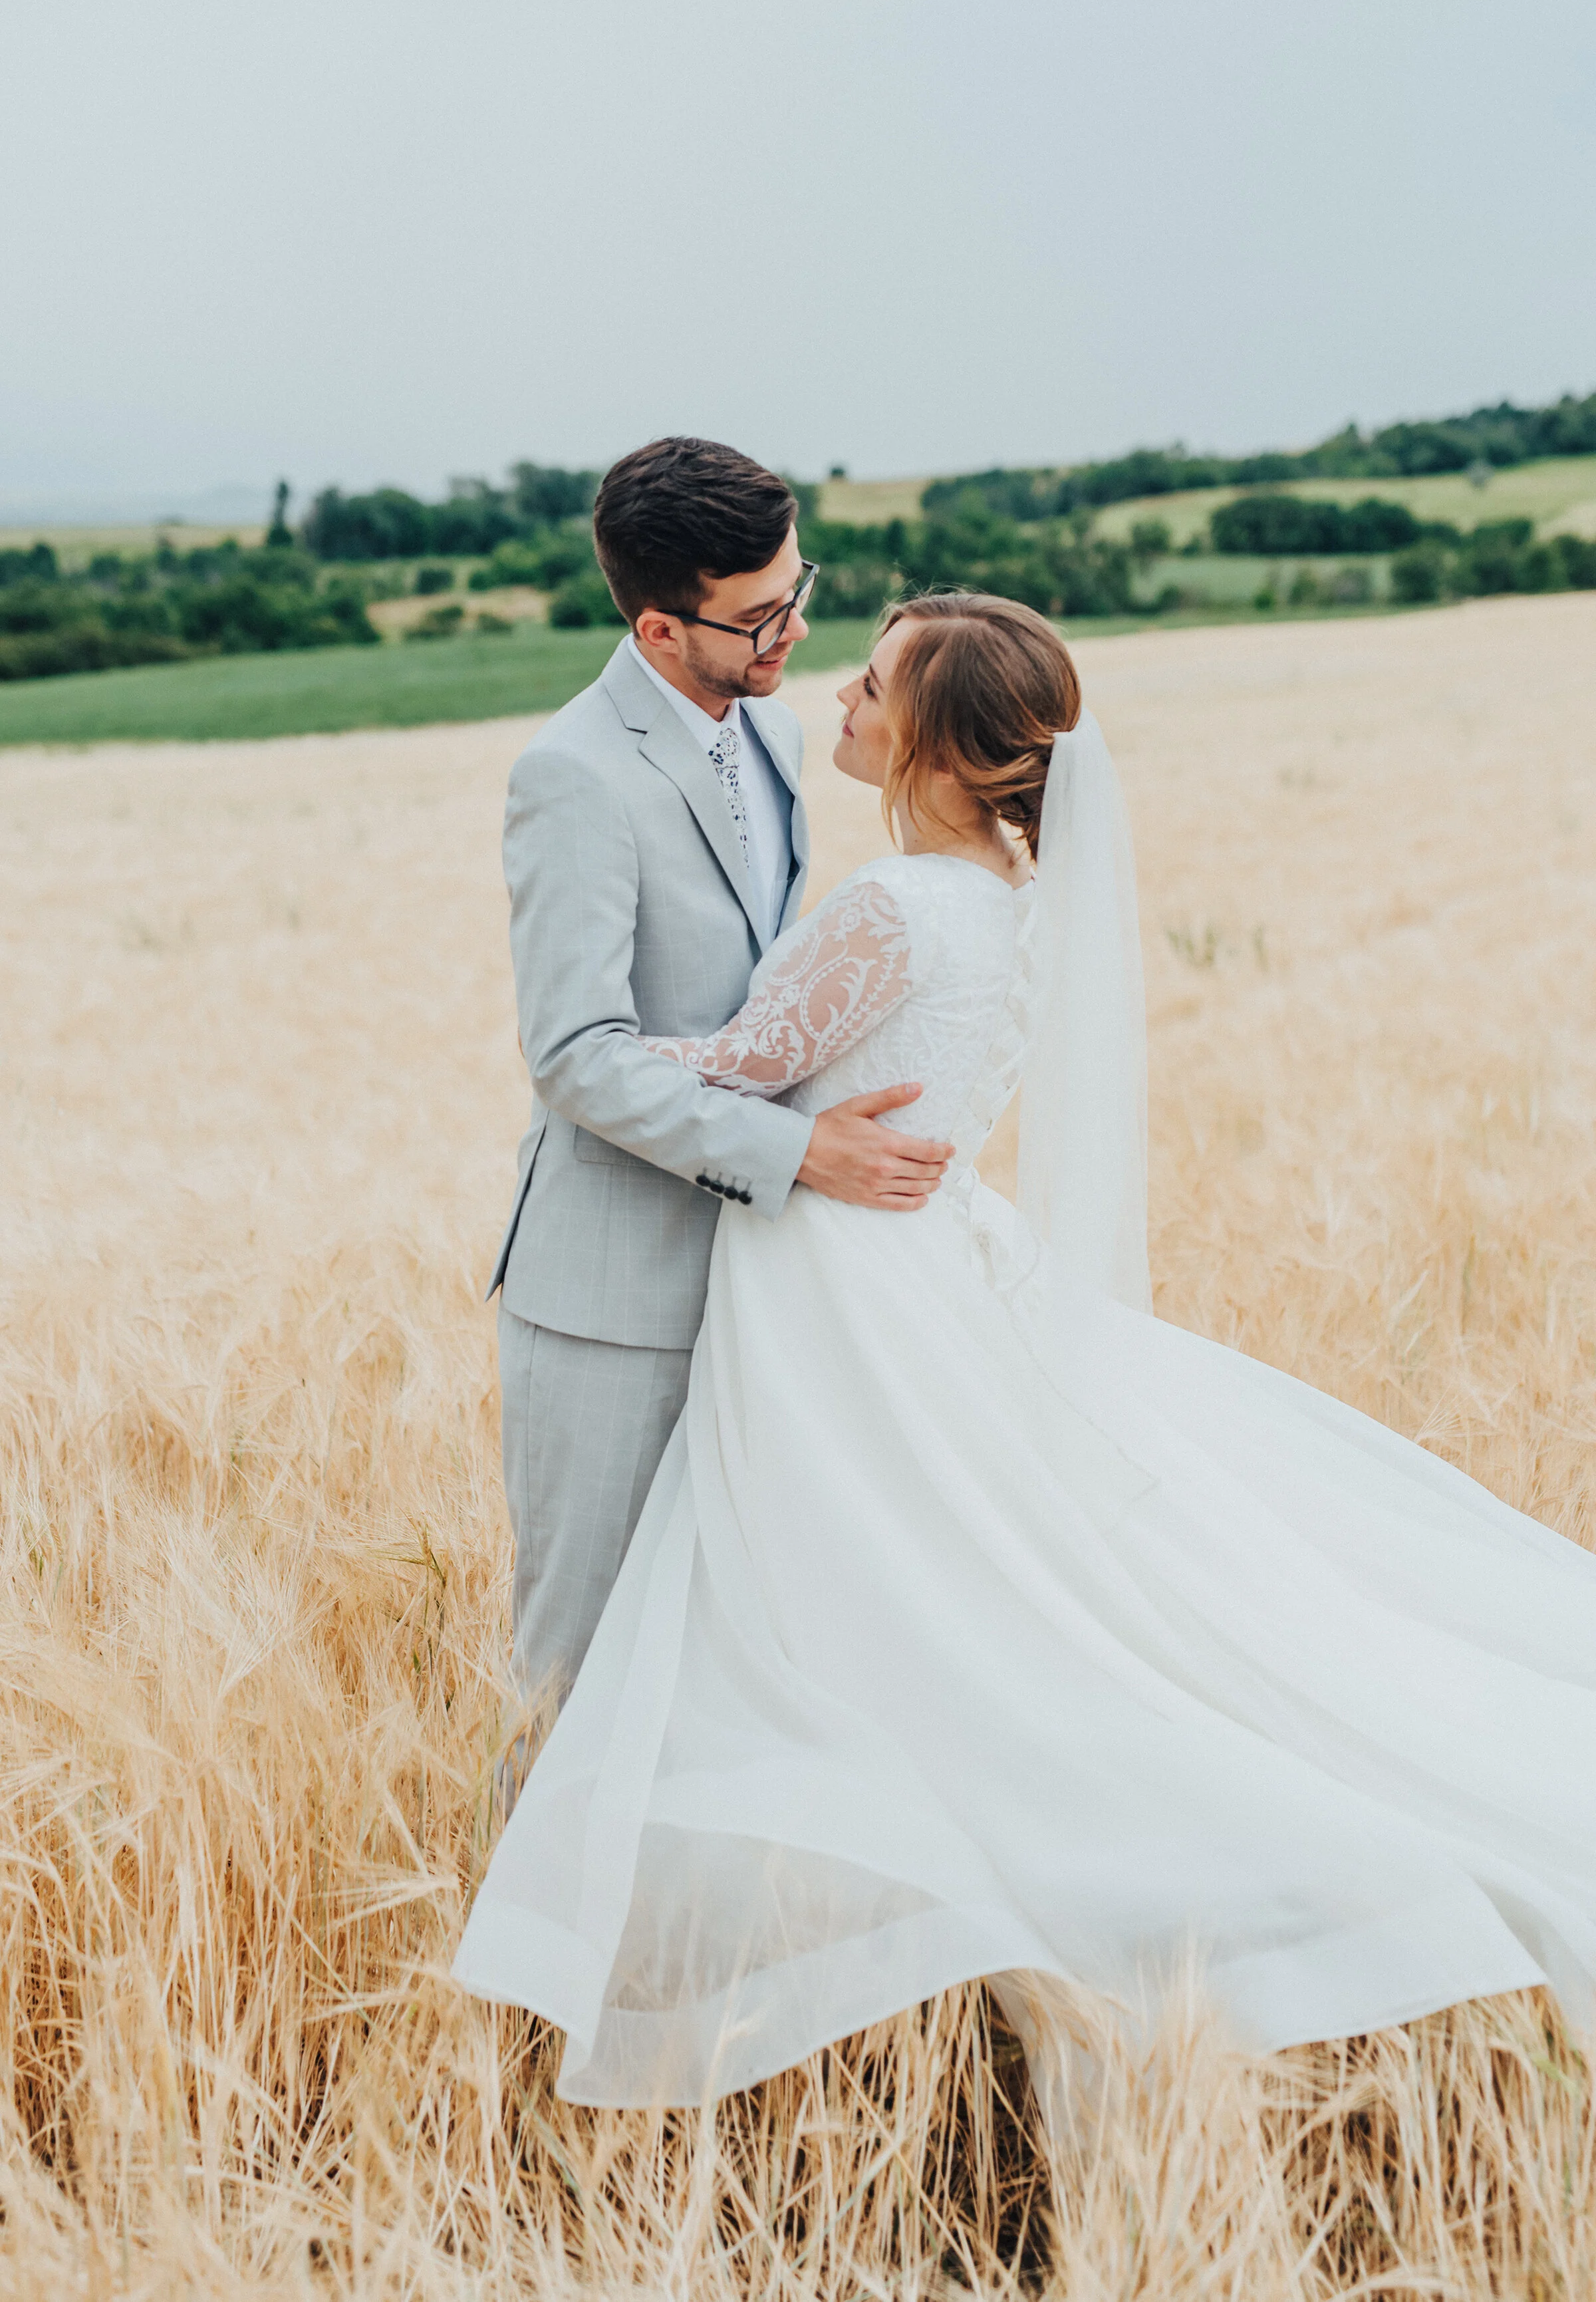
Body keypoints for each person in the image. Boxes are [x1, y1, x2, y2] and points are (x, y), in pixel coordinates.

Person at [458, 591, 1596, 2114]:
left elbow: (715, 1065)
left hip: (839, 1288)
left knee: (866, 1613)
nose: (841, 700)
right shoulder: (999, 900)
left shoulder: (893, 911)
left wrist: (588, 1055)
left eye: (873, 683)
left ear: (929, 738)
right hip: (918, 1256)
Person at [488, 438, 953, 1708]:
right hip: (612, 1303)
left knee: (726, 1668)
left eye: (800, 589)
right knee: (577, 1676)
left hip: (775, 1290)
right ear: (656, 623)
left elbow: (772, 1001)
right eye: (758, 616)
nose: (794, 631)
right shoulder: (571, 776)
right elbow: (576, 1056)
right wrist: (802, 1153)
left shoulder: (781, 735)